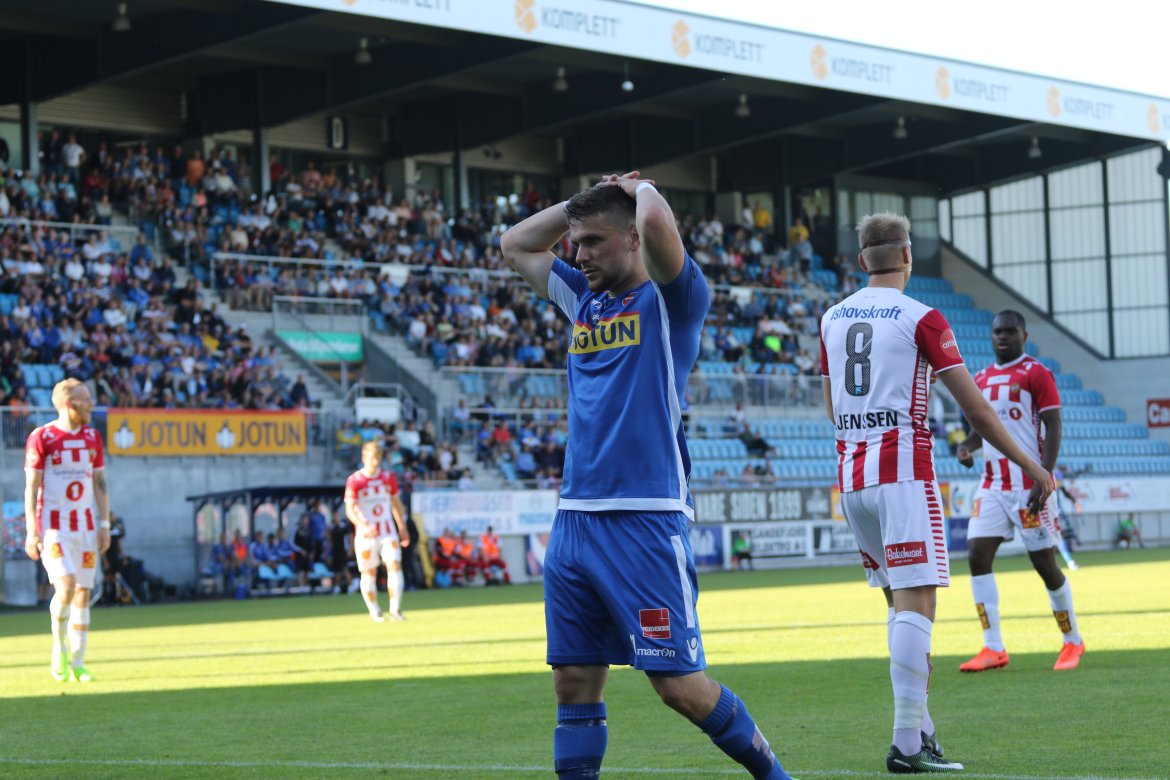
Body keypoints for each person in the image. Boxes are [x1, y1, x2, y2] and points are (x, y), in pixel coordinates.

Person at [501, 171, 793, 780]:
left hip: (646, 517)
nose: (578, 255)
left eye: (593, 242)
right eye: (576, 244)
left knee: (679, 687)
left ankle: (775, 777)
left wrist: (642, 188)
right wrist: (582, 209)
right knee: (574, 681)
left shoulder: (672, 300)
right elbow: (516, 244)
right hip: (575, 520)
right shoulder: (581, 297)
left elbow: (659, 224)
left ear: (632, 239)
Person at [819, 213, 1053, 774]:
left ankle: (921, 729)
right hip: (903, 473)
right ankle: (905, 744)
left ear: (860, 262)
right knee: (918, 601)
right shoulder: (921, 317)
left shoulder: (830, 317)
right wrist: (1034, 467)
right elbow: (977, 409)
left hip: (853, 477)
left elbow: (830, 403)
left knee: (899, 605)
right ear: (908, 257)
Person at [955, 311, 1085, 673]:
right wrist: (967, 447)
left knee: (1044, 564)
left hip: (1030, 487)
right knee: (978, 557)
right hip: (993, 486)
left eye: (1010, 332)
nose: (1003, 337)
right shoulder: (979, 378)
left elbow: (1053, 426)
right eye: (998, 332)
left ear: (1023, 334)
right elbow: (981, 430)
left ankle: (1072, 640)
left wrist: (1043, 478)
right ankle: (993, 647)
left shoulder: (1036, 373)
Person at [24, 379, 111, 683]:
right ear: (68, 404)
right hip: (54, 526)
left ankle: (78, 662)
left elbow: (100, 482)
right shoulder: (42, 437)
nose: (91, 404)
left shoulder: (92, 437)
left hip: (86, 526)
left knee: (84, 593)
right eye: (85, 400)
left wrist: (104, 524)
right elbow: (31, 486)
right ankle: (58, 647)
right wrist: (31, 531)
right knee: (67, 584)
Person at [344, 441, 409, 622]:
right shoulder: (355, 480)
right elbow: (350, 509)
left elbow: (396, 504)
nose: (375, 463)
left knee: (394, 564)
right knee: (369, 572)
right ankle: (375, 611)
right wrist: (363, 526)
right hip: (366, 534)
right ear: (364, 458)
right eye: (372, 459)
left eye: (378, 459)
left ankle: (395, 609)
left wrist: (401, 526)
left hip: (387, 530)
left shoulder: (388, 477)